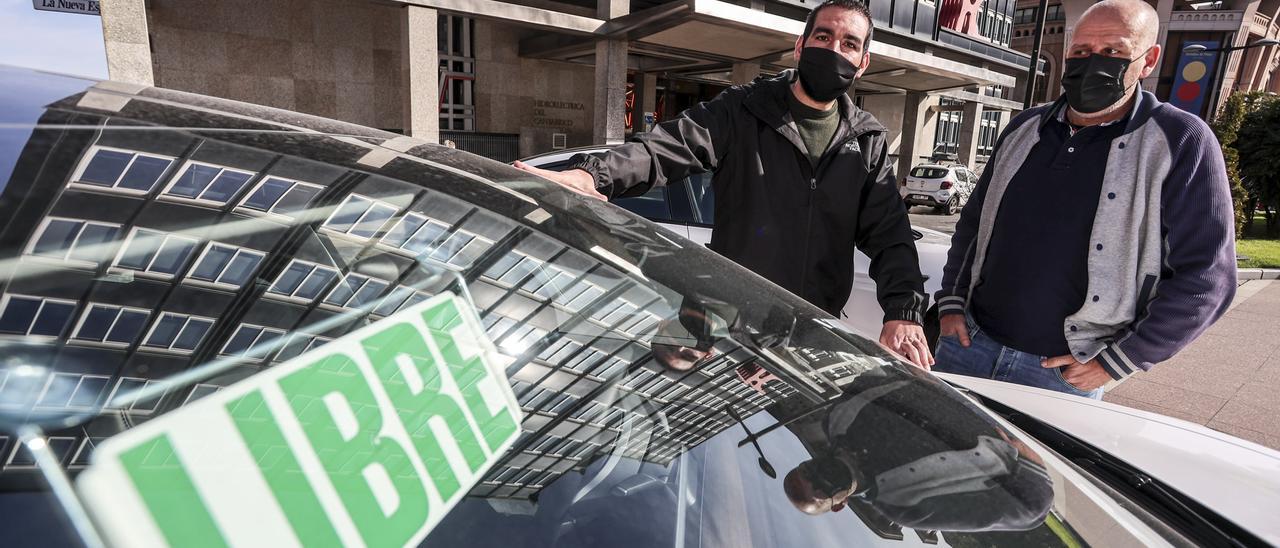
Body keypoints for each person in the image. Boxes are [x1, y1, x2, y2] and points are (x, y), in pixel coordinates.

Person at [514, 0, 934, 369]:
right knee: (687, 424)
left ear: (862, 63)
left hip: (812, 331)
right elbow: (666, 148)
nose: (834, 49)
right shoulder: (743, 110)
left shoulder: (867, 141)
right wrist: (592, 173)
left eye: (849, 43)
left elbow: (890, 235)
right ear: (800, 47)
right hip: (726, 325)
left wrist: (903, 311)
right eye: (823, 36)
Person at [932, 0, 1237, 398]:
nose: (1093, 63)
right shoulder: (1024, 129)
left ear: (1148, 60)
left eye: (1113, 51)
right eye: (1081, 51)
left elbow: (1207, 276)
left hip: (1062, 375)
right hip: (969, 346)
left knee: (1040, 464)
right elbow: (973, 225)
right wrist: (951, 304)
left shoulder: (1180, 141)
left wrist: (1121, 360)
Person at [781, 370, 1053, 532]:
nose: (822, 476)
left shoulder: (835, 419)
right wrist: (1026, 451)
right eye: (821, 488)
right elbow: (1031, 510)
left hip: (963, 368)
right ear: (839, 505)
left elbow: (875, 374)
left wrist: (918, 375)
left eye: (810, 471)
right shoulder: (906, 507)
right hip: (1027, 414)